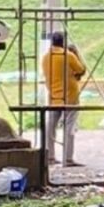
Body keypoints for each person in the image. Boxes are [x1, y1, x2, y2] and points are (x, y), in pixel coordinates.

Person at [41, 32, 87, 166]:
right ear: (63, 42)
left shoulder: (45, 58)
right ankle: (68, 158)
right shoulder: (68, 55)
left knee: (51, 127)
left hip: (54, 96)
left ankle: (50, 156)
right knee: (69, 127)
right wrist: (76, 53)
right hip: (70, 96)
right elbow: (81, 69)